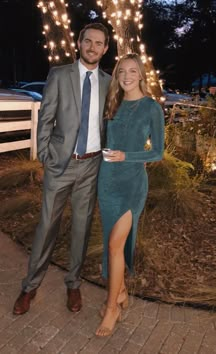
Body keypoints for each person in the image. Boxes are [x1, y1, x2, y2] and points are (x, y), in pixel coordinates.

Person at [13, 23, 111, 315]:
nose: (93, 47)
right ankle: (30, 287)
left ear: (106, 48)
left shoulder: (108, 81)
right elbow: (46, 118)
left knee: (81, 229)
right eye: (88, 41)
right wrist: (45, 154)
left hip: (92, 165)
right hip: (60, 165)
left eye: (99, 43)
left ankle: (73, 283)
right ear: (79, 43)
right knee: (46, 228)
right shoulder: (59, 74)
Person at [96, 53, 165, 336]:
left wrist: (127, 155)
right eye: (121, 71)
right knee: (111, 243)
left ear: (141, 75)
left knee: (115, 244)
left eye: (132, 71)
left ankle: (112, 308)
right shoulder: (112, 102)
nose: (126, 76)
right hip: (107, 182)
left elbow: (157, 152)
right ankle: (121, 292)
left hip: (132, 184)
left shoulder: (151, 108)